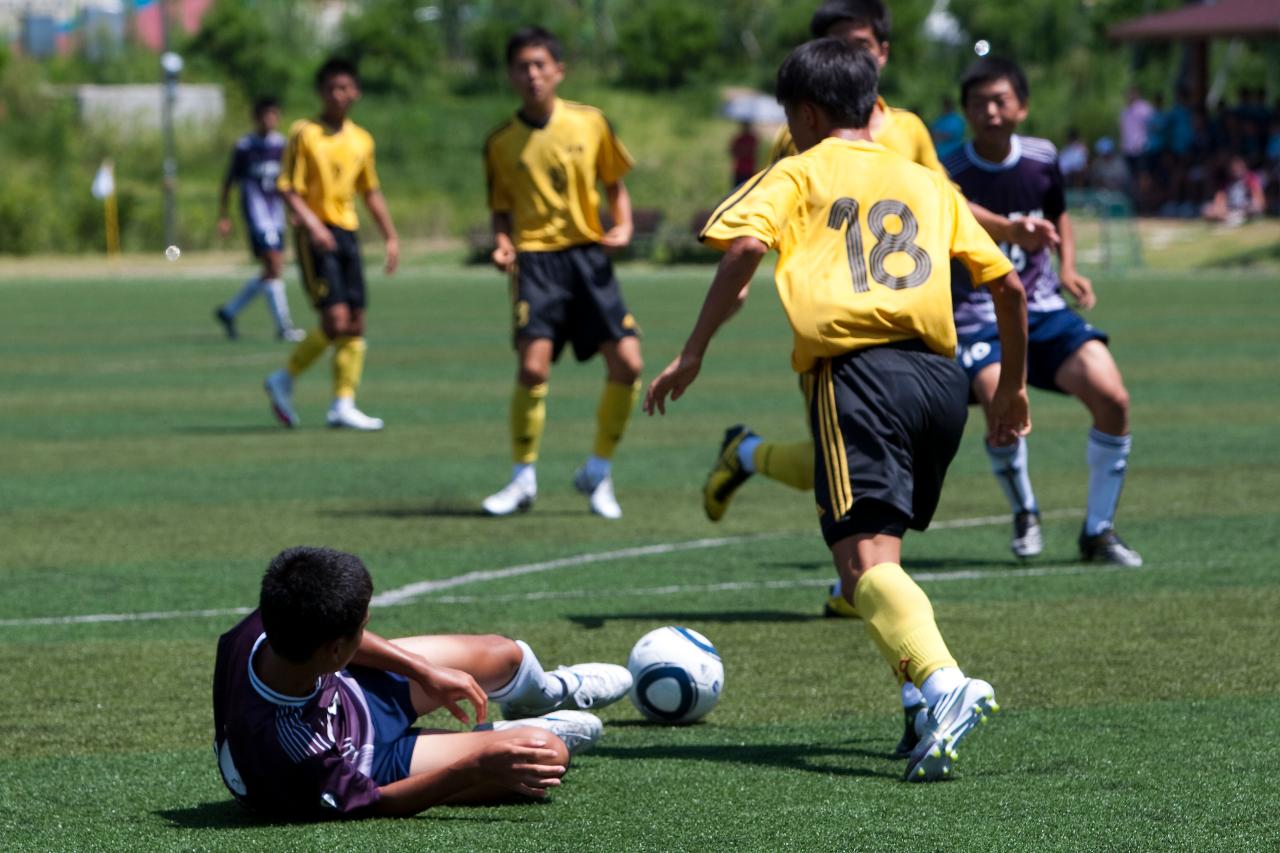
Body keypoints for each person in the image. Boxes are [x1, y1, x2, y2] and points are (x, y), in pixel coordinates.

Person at [645, 39, 1030, 783]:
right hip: (942, 378)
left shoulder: (798, 168)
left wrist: (692, 350)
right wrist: (1010, 389)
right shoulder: (926, 179)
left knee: (860, 567)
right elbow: (1007, 288)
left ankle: (945, 684)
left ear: (808, 114)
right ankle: (919, 703)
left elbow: (742, 247)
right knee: (882, 557)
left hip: (856, 374)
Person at [702, 0, 1057, 621]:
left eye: (860, 42)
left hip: (858, 356)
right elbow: (964, 228)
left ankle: (755, 460)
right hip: (918, 362)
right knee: (864, 504)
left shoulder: (894, 136)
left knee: (864, 524)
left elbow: (947, 202)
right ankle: (896, 647)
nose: (853, 53)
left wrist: (693, 348)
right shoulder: (821, 149)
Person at [213, 546, 633, 818]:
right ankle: (507, 735)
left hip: (355, 690)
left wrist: (422, 670)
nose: (368, 626)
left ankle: (544, 695)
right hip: (369, 762)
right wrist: (474, 767)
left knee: (501, 654)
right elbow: (377, 803)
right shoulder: (294, 752)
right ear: (335, 651)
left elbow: (337, 642)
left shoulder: (269, 623)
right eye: (363, 625)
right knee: (546, 755)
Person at [945, 56, 1142, 568]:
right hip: (979, 314)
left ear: (1023, 107)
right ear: (965, 111)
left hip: (1045, 308)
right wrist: (1008, 229)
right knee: (998, 400)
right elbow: (952, 219)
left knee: (1113, 398)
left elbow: (1058, 213)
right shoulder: (950, 171)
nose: (989, 111)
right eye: (978, 103)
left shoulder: (1041, 157)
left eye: (1000, 100)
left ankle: (1098, 531)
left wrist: (1069, 266)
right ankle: (1025, 511)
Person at [480, 27, 643, 520]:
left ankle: (598, 470)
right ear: (510, 75)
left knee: (629, 365)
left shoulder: (590, 123)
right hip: (535, 263)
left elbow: (614, 184)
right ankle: (522, 478)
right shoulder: (500, 143)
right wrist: (503, 245)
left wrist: (625, 225)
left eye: (539, 65)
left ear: (558, 70)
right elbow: (501, 212)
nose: (531, 74)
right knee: (532, 368)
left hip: (587, 258)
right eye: (522, 66)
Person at [263, 58, 400, 431]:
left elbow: (369, 191)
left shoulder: (361, 139)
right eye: (330, 88)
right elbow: (287, 187)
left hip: (347, 232)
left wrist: (390, 235)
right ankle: (284, 377)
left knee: (355, 322)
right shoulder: (304, 133)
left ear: (355, 92)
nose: (338, 95)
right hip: (315, 233)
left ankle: (343, 404)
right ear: (321, 93)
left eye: (345, 88)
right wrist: (312, 224)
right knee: (335, 319)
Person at [213, 96, 304, 343]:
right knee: (275, 265)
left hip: (276, 216)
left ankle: (229, 312)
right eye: (264, 115)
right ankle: (283, 327)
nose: (269, 120)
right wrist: (224, 215)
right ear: (255, 118)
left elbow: (292, 183)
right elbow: (228, 182)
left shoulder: (282, 146)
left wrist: (296, 211)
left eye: (273, 114)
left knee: (271, 269)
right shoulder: (245, 147)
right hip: (256, 216)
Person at [1201, 155, 1265, 225]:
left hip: (1246, 208)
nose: (1235, 169)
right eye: (1232, 167)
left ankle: (1233, 218)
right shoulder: (1226, 181)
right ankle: (1231, 218)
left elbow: (1259, 199)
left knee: (1254, 207)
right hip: (1230, 209)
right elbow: (1220, 199)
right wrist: (1219, 209)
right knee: (1207, 210)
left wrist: (1248, 207)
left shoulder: (1250, 177)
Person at [1119, 87, 1153, 179]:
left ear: (1137, 94)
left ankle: (1144, 193)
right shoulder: (1125, 112)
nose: (1129, 96)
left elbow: (1152, 126)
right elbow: (1123, 130)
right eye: (1128, 94)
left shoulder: (1145, 108)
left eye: (1132, 94)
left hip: (1141, 147)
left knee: (1143, 174)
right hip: (1128, 149)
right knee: (1132, 175)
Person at [930, 96, 966, 160]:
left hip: (952, 154)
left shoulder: (956, 119)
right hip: (939, 155)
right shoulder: (941, 118)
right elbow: (932, 131)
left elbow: (953, 134)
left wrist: (938, 135)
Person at [729, 121, 759, 188]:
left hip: (748, 170)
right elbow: (732, 152)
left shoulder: (752, 139)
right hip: (741, 170)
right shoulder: (739, 138)